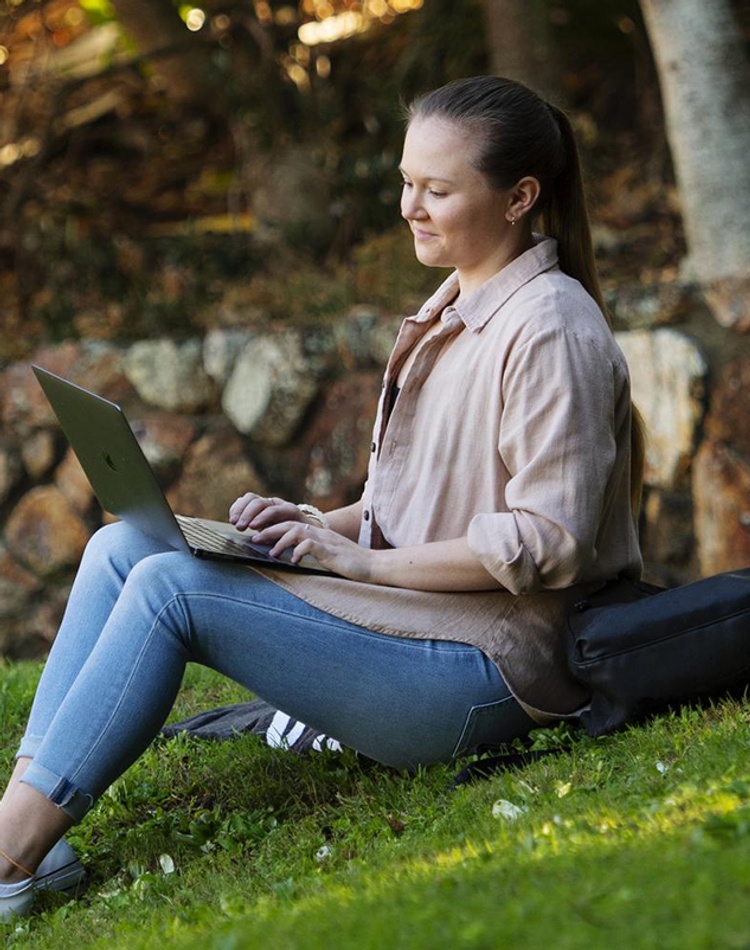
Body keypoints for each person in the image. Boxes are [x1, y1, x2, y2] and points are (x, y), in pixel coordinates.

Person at [0, 75, 644, 920]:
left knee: (169, 590)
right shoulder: (453, 308)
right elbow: (403, 501)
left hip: (488, 670)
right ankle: (26, 834)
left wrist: (356, 558)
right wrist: (313, 525)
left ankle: (8, 854)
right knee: (124, 548)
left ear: (520, 197)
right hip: (411, 624)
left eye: (438, 190)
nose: (411, 205)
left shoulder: (550, 327)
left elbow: (546, 542)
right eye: (407, 182)